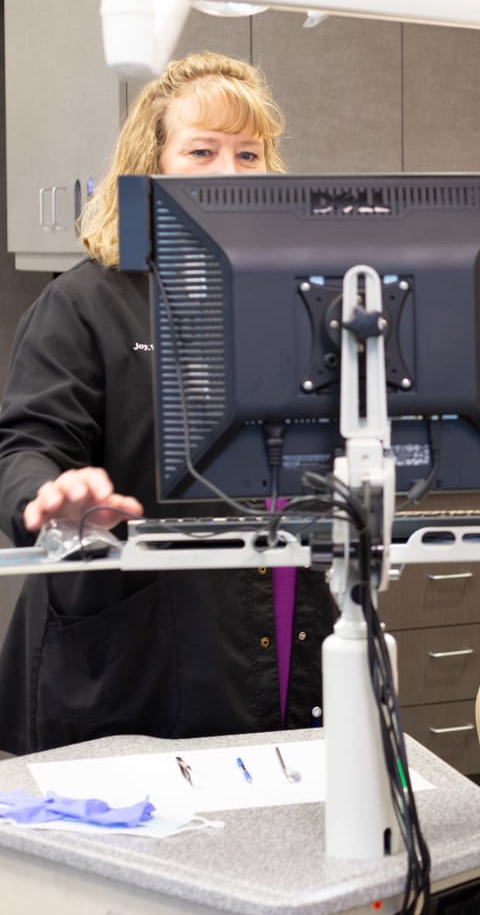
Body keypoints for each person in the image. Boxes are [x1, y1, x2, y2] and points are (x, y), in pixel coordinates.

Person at [0, 52, 336, 756]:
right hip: (142, 641)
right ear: (149, 168)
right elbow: (27, 444)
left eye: (249, 153)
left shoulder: (298, 304)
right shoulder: (87, 302)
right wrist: (52, 493)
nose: (230, 173)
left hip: (281, 609)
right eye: (202, 150)